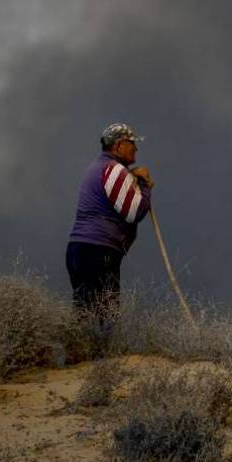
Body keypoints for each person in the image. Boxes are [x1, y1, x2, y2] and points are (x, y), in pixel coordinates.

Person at [66, 122, 154, 325]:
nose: (136, 149)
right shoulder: (113, 170)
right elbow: (134, 212)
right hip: (97, 251)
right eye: (132, 143)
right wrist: (144, 184)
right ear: (119, 146)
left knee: (87, 311)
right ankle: (94, 352)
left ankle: (81, 351)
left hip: (84, 249)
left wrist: (131, 176)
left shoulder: (101, 168)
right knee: (104, 315)